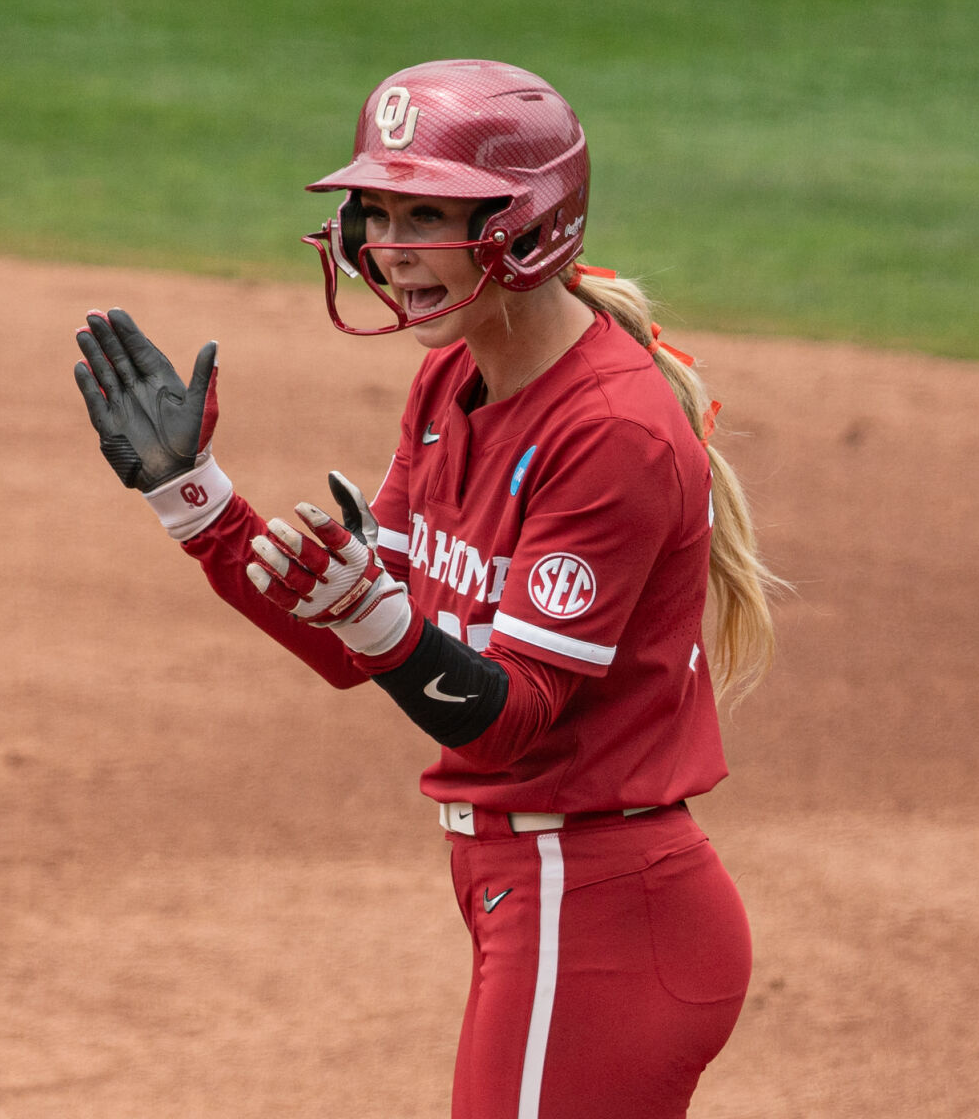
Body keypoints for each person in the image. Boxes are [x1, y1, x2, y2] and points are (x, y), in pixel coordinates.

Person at [71, 58, 784, 1119]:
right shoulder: (450, 380)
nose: (388, 251)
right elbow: (357, 646)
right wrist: (195, 500)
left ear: (528, 224)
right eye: (379, 213)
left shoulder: (610, 432)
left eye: (427, 215)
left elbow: (507, 720)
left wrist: (374, 610)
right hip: (533, 896)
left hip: (596, 906)